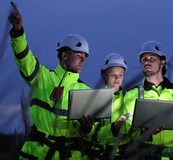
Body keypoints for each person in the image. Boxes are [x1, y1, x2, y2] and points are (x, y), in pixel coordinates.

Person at [8, 2, 92, 159]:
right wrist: (18, 32)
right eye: (79, 55)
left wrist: (88, 129)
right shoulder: (42, 77)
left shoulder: (87, 91)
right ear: (64, 55)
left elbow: (96, 133)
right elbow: (24, 59)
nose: (83, 60)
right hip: (37, 154)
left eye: (84, 57)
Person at [123, 40, 173, 159]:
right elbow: (126, 131)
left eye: (152, 58)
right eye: (143, 59)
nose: (147, 61)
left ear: (163, 62)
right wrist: (144, 132)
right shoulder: (131, 95)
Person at [82, 53, 130, 159]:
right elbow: (91, 133)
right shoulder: (93, 98)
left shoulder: (130, 99)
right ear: (103, 75)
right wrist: (88, 129)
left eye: (121, 75)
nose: (117, 78)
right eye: (113, 74)